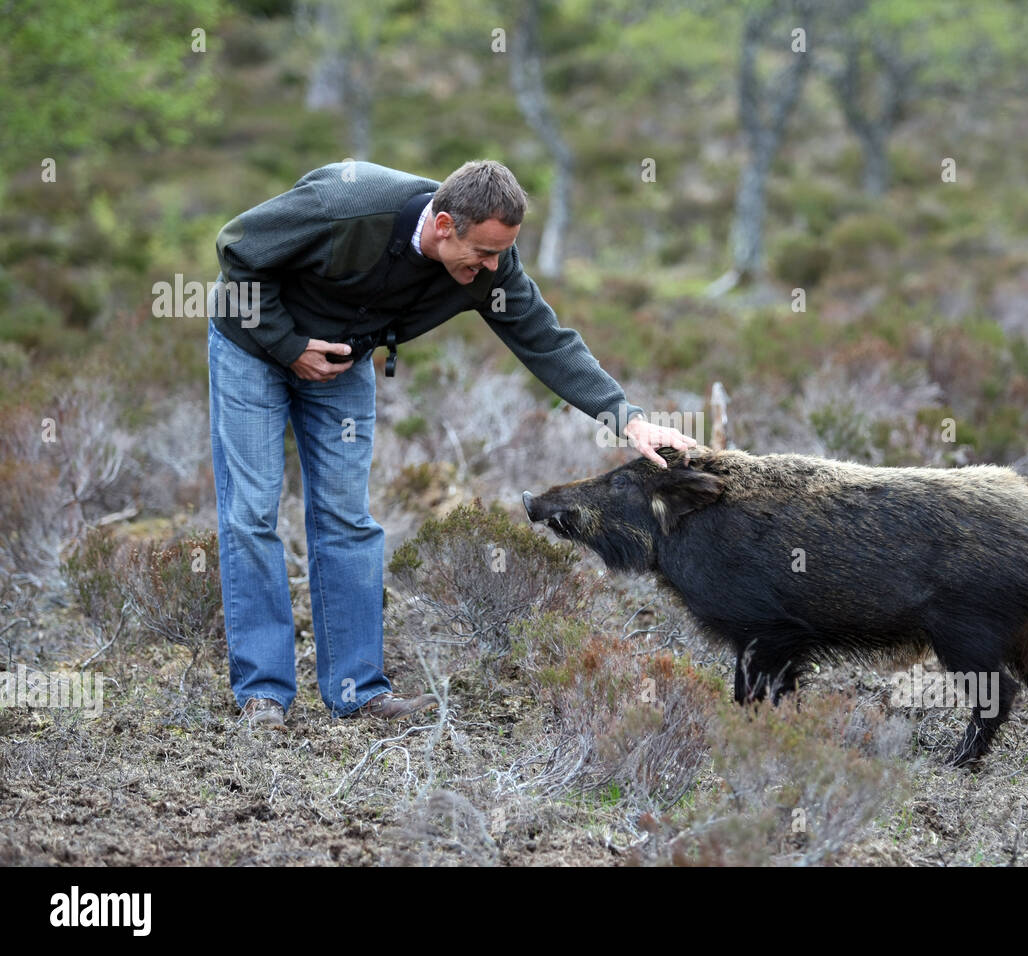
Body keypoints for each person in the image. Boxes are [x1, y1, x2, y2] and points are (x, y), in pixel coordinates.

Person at [207, 159, 694, 732]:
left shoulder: (491, 267)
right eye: (482, 254)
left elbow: (546, 341)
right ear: (443, 225)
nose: (492, 268)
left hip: (341, 366)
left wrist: (629, 420)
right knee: (253, 512)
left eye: (500, 254)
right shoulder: (348, 207)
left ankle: (357, 692)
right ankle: (263, 694)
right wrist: (287, 344)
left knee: (345, 519)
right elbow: (237, 249)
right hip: (253, 349)